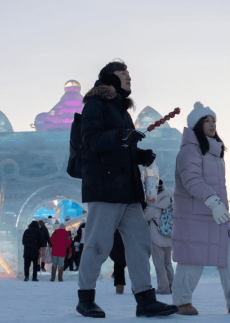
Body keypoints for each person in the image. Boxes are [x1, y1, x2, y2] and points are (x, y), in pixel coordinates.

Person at [76, 60, 177, 318]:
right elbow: (91, 141)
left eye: (129, 73)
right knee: (98, 244)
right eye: (123, 73)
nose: (129, 77)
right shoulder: (95, 105)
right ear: (110, 79)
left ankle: (145, 300)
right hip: (105, 187)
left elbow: (121, 147)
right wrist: (122, 137)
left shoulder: (122, 111)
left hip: (129, 191)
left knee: (140, 243)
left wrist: (138, 154)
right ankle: (85, 298)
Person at [171, 102, 230, 315]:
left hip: (215, 216)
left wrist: (218, 206)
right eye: (206, 120)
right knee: (192, 259)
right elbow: (192, 180)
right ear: (196, 125)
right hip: (194, 216)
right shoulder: (189, 151)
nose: (212, 124)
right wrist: (214, 202)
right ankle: (182, 302)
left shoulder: (214, 153)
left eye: (213, 120)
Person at [143, 179, 174, 294]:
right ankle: (173, 286)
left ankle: (163, 288)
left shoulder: (152, 206)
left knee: (159, 264)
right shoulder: (171, 201)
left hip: (157, 238)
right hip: (170, 237)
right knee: (168, 263)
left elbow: (144, 218)